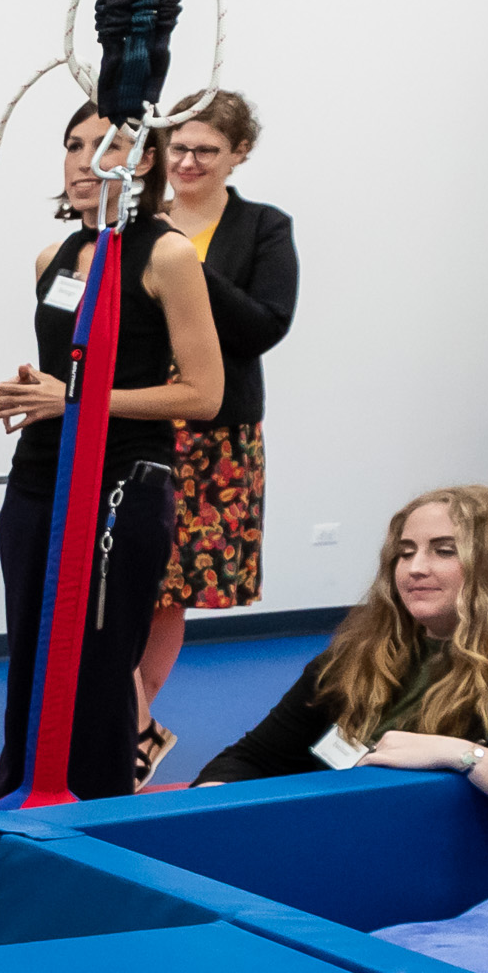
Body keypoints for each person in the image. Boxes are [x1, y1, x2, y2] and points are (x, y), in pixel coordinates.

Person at [0, 103, 226, 804]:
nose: (84, 160)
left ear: (144, 160)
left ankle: (96, 807)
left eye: (106, 144)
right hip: (38, 477)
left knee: (94, 663)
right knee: (28, 655)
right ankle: (20, 796)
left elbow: (204, 392)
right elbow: (67, 376)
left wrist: (78, 398)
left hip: (122, 481)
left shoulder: (167, 254)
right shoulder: (50, 258)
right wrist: (41, 393)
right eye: (72, 145)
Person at [197, 486, 488, 851]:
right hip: (333, 844)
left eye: (444, 551)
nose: (415, 569)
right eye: (405, 553)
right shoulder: (358, 655)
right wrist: (202, 814)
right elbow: (254, 758)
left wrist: (465, 757)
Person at [137, 90, 297, 780]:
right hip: (136, 414)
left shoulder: (263, 226)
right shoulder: (137, 217)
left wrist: (182, 267)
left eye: (207, 149)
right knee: (125, 578)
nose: (189, 161)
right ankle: (134, 726)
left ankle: (133, 719)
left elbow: (266, 324)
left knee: (171, 583)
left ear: (240, 153)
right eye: (179, 147)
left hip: (214, 432)